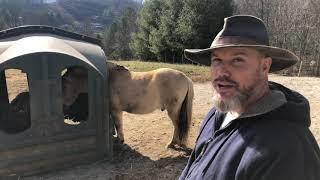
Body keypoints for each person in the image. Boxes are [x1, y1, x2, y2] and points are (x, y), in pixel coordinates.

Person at [179, 15, 320, 180]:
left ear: (264, 67)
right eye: (217, 60)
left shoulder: (290, 150)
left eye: (237, 60)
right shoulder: (215, 115)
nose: (221, 72)